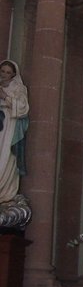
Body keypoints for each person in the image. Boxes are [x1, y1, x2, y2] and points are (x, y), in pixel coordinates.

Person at [0, 60, 29, 204]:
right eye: (2, 71)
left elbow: (23, 108)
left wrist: (4, 97)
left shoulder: (18, 88)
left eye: (8, 72)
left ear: (13, 75)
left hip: (8, 127)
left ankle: (4, 192)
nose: (4, 74)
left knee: (5, 158)